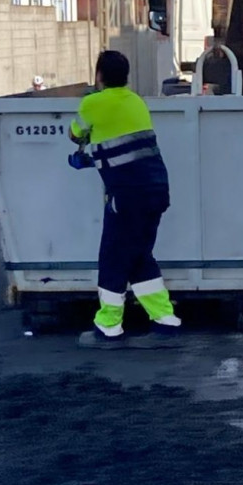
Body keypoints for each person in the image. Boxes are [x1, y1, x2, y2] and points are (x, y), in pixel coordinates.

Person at [70, 50, 181, 348]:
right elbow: (124, 150)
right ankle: (165, 319)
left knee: (113, 257)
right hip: (157, 191)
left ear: (99, 76)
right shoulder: (136, 102)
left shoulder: (93, 103)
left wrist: (83, 152)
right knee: (139, 256)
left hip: (127, 197)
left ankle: (108, 325)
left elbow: (75, 132)